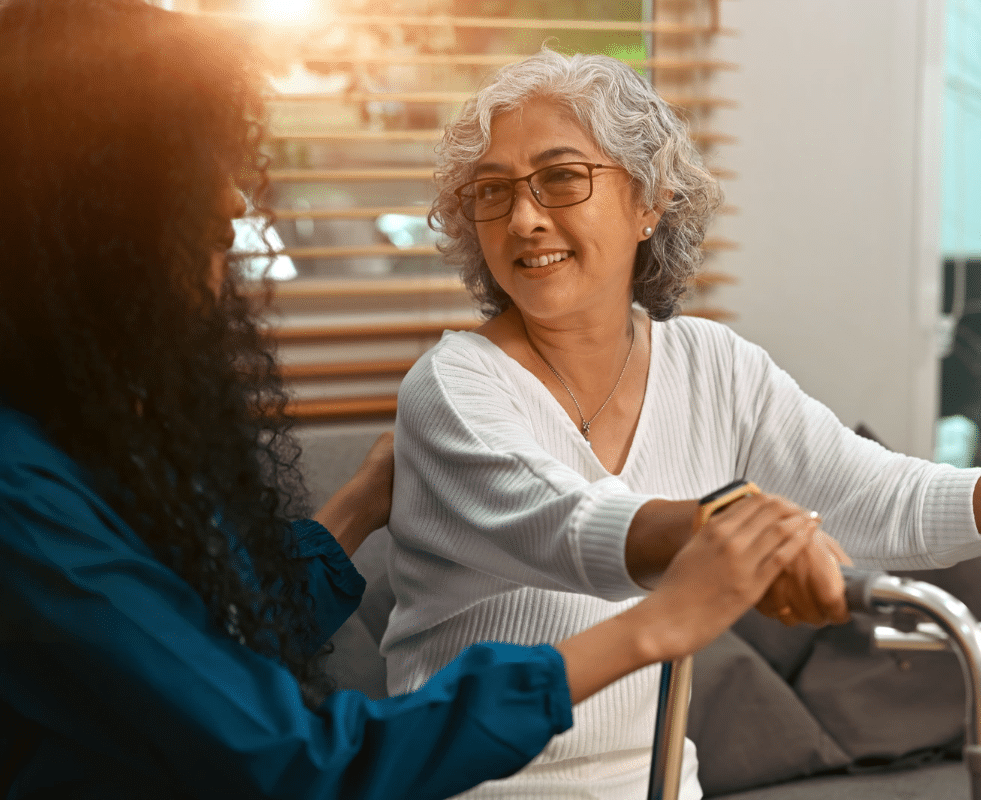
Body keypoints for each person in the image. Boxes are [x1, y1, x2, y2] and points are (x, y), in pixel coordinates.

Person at [0, 3, 821, 798]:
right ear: (82, 212)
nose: (233, 207)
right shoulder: (22, 495)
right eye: (189, 188)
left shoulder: (92, 438)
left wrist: (362, 500)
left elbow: (233, 636)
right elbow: (304, 763)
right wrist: (654, 627)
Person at [383, 47, 981, 798]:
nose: (523, 217)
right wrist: (744, 533)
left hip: (661, 781)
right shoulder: (452, 389)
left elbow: (884, 502)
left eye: (560, 178)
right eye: (493, 191)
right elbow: (572, 523)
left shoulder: (713, 365)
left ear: (648, 200)